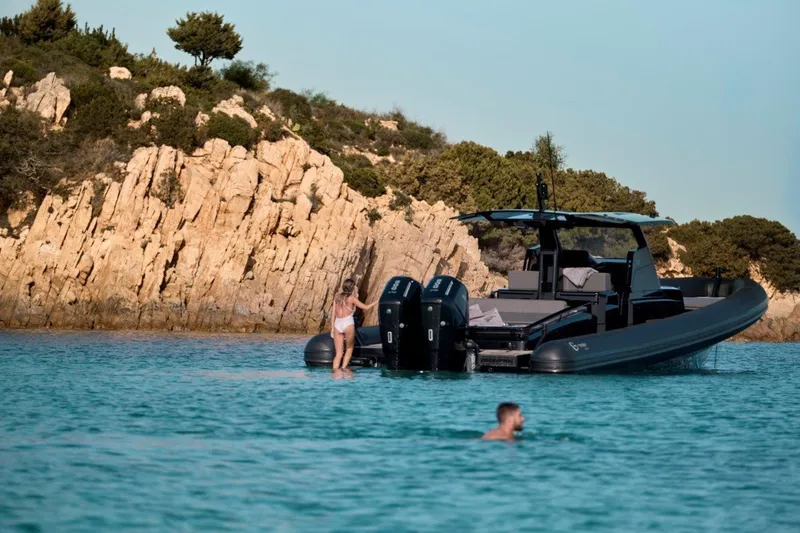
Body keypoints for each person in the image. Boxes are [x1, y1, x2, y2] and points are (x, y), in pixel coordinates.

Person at [330, 278, 378, 369]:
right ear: (351, 288)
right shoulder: (352, 298)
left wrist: (332, 328)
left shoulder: (337, 297)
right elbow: (366, 307)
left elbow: (333, 315)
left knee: (338, 354)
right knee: (349, 349)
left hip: (337, 323)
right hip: (347, 322)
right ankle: (343, 369)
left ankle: (335, 372)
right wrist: (377, 301)